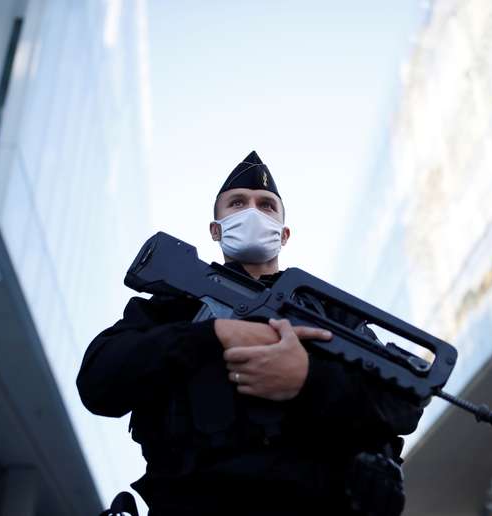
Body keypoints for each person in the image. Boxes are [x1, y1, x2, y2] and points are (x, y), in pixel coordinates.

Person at [77, 151, 423, 515]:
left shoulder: (330, 313)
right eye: (237, 203)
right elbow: (98, 382)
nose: (253, 212)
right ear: (216, 228)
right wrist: (211, 335)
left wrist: (308, 379)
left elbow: (402, 402)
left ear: (284, 234)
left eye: (267, 206)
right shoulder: (171, 305)